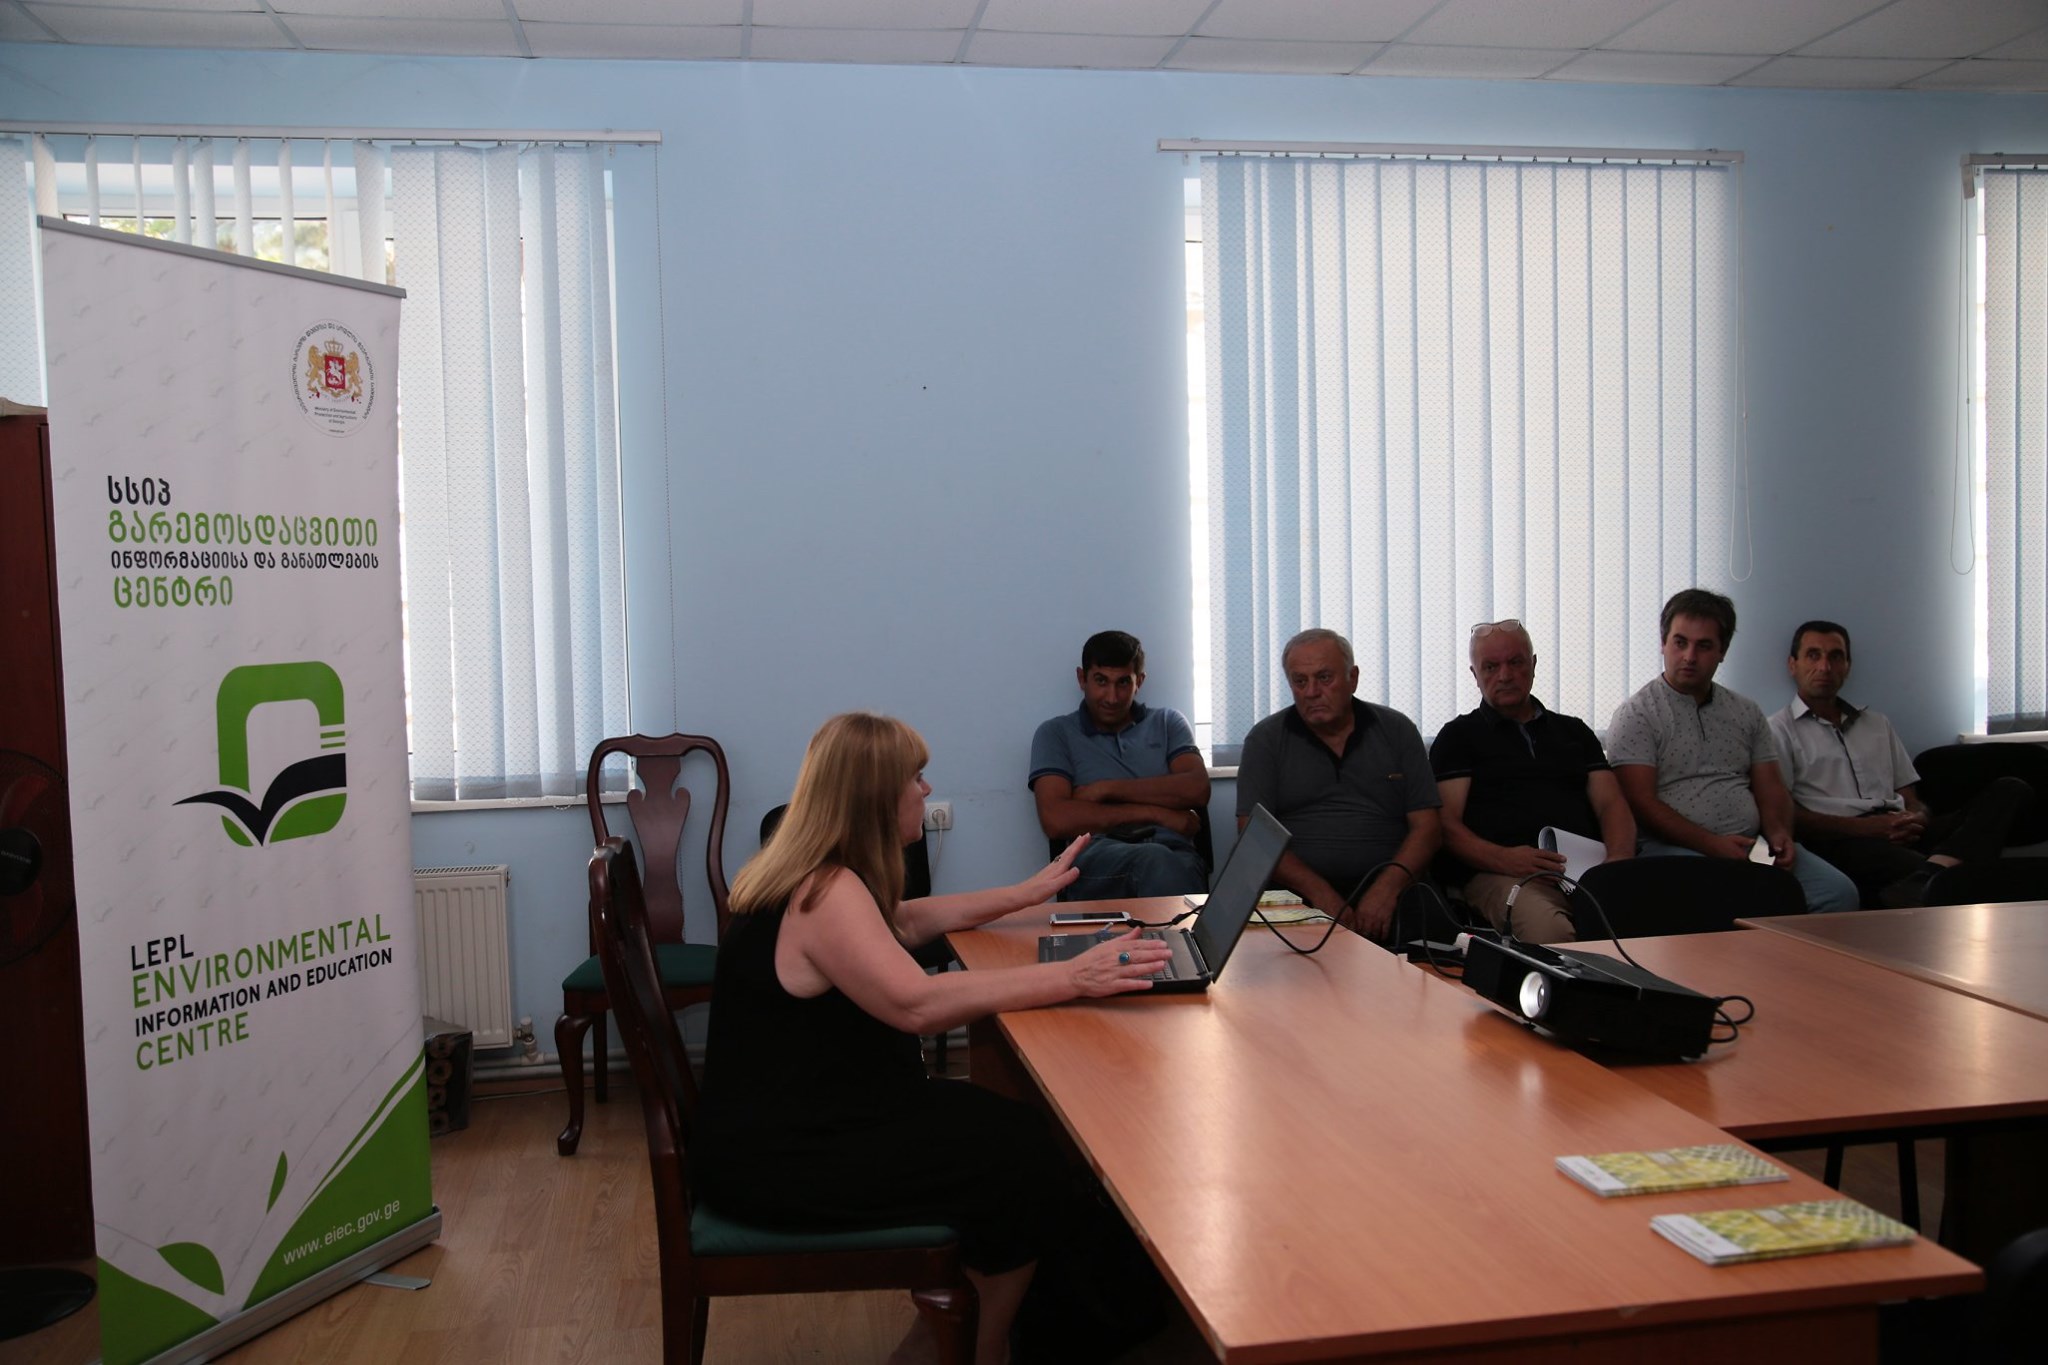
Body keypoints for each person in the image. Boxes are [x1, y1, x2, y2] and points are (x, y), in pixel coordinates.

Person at [693, 713, 1171, 1365]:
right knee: (1025, 1157)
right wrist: (1073, 975)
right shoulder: (826, 892)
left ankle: (951, 1335)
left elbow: (907, 919)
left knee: (1017, 1133)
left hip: (783, 1131)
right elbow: (916, 1004)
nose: (926, 789)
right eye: (914, 777)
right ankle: (978, 1345)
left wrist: (1023, 894)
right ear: (874, 795)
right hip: (789, 1159)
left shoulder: (810, 872)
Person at [1607, 589, 1859, 914]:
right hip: (1673, 849)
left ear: (1722, 651)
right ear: (1663, 643)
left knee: (1838, 893)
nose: (1689, 656)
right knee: (1735, 896)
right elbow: (1641, 803)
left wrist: (1779, 833)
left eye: (1704, 646)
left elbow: (1771, 788)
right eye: (1680, 642)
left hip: (1750, 846)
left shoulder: (1745, 711)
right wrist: (1713, 844)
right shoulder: (1637, 714)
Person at [1769, 620, 2032, 907]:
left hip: (1900, 827)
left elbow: (1909, 795)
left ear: (1847, 666)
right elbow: (1789, 816)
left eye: (1835, 656)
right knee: (1959, 877)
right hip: (1845, 839)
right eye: (1813, 655)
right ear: (1793, 665)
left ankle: (1931, 874)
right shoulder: (1778, 730)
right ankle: (1937, 874)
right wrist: (1870, 828)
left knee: (2010, 789)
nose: (1824, 666)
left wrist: (1917, 817)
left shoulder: (1876, 723)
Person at [1430, 620, 1636, 943]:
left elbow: (1611, 804)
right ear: (1474, 675)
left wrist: (1618, 862)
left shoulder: (1574, 732)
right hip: (1500, 874)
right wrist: (1507, 859)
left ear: (1534, 664)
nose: (1505, 675)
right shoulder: (1458, 738)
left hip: (1584, 873)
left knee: (1652, 917)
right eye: (1491, 667)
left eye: (1516, 662)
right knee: (1552, 933)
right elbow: (1445, 826)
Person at [1234, 628, 1441, 943]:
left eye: (1324, 678)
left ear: (1352, 678)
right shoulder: (1266, 739)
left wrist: (1386, 890)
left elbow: (1428, 828)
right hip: (1297, 891)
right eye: (1300, 681)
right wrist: (1320, 894)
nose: (1312, 691)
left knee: (1436, 956)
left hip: (1393, 884)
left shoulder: (1397, 730)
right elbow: (1254, 835)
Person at [1029, 630, 1211, 900]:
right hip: (1098, 856)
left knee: (1170, 864)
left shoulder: (1168, 722)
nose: (1112, 697)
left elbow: (1197, 789)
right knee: (1156, 860)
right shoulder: (1056, 733)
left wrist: (1105, 789)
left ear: (1140, 681)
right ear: (1082, 678)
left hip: (1175, 852)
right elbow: (1056, 819)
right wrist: (1157, 813)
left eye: (1123, 682)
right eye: (1101, 681)